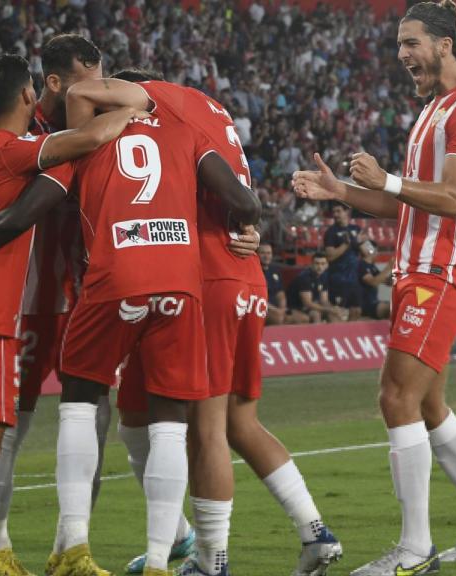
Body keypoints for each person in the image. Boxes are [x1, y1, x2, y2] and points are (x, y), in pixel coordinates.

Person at [0, 75, 259, 576]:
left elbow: (25, 212)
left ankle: (70, 546)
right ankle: (160, 561)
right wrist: (245, 231)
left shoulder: (83, 145)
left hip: (110, 279)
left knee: (77, 406)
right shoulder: (186, 135)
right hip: (180, 285)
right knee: (170, 427)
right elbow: (245, 202)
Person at [64, 72, 340, 576]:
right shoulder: (210, 111)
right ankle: (309, 531)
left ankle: (210, 560)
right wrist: (248, 221)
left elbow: (230, 198)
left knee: (201, 431)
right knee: (202, 422)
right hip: (241, 276)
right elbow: (236, 193)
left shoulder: (160, 105)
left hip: (202, 276)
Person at [292, 2, 456, 574]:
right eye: (398, 45)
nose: (402, 55)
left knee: (396, 397)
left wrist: (388, 177)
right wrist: (339, 191)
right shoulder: (433, 110)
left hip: (442, 273)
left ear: (444, 44)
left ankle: (415, 549)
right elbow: (403, 200)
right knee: (428, 403)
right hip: (417, 269)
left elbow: (454, 197)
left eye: (411, 43)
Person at [0, 53, 146, 576]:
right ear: (36, 91)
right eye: (91, 85)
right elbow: (41, 192)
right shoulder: (26, 148)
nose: (99, 94)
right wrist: (138, 108)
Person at [323, 203, 364, 321]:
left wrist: (362, 243)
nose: (335, 215)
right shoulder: (331, 232)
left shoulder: (356, 229)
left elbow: (367, 253)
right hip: (338, 280)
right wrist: (347, 244)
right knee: (338, 314)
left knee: (356, 311)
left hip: (354, 279)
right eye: (334, 212)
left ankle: (350, 337)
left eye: (338, 211)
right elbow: (330, 256)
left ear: (347, 212)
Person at [286, 253, 343, 323]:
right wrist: (329, 310)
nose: (320, 267)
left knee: (333, 314)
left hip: (312, 307)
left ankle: (336, 333)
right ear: (311, 264)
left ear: (327, 265)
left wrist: (333, 309)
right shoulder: (304, 278)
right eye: (317, 263)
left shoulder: (323, 277)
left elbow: (324, 300)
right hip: (297, 308)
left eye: (323, 264)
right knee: (315, 314)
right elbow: (307, 303)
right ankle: (317, 334)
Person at [260, 243, 308, 325]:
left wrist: (282, 309)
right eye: (263, 253)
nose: (266, 256)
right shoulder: (254, 271)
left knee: (304, 318)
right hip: (262, 308)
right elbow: (258, 298)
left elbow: (280, 294)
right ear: (256, 254)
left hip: (278, 309)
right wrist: (276, 310)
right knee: (279, 319)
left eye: (269, 253)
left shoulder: (275, 271)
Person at [358, 241, 393, 320]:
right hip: (365, 304)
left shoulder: (372, 267)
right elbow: (373, 282)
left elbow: (387, 282)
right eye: (376, 250)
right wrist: (388, 267)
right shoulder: (361, 265)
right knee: (392, 309)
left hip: (375, 302)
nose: (377, 253)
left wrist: (395, 271)